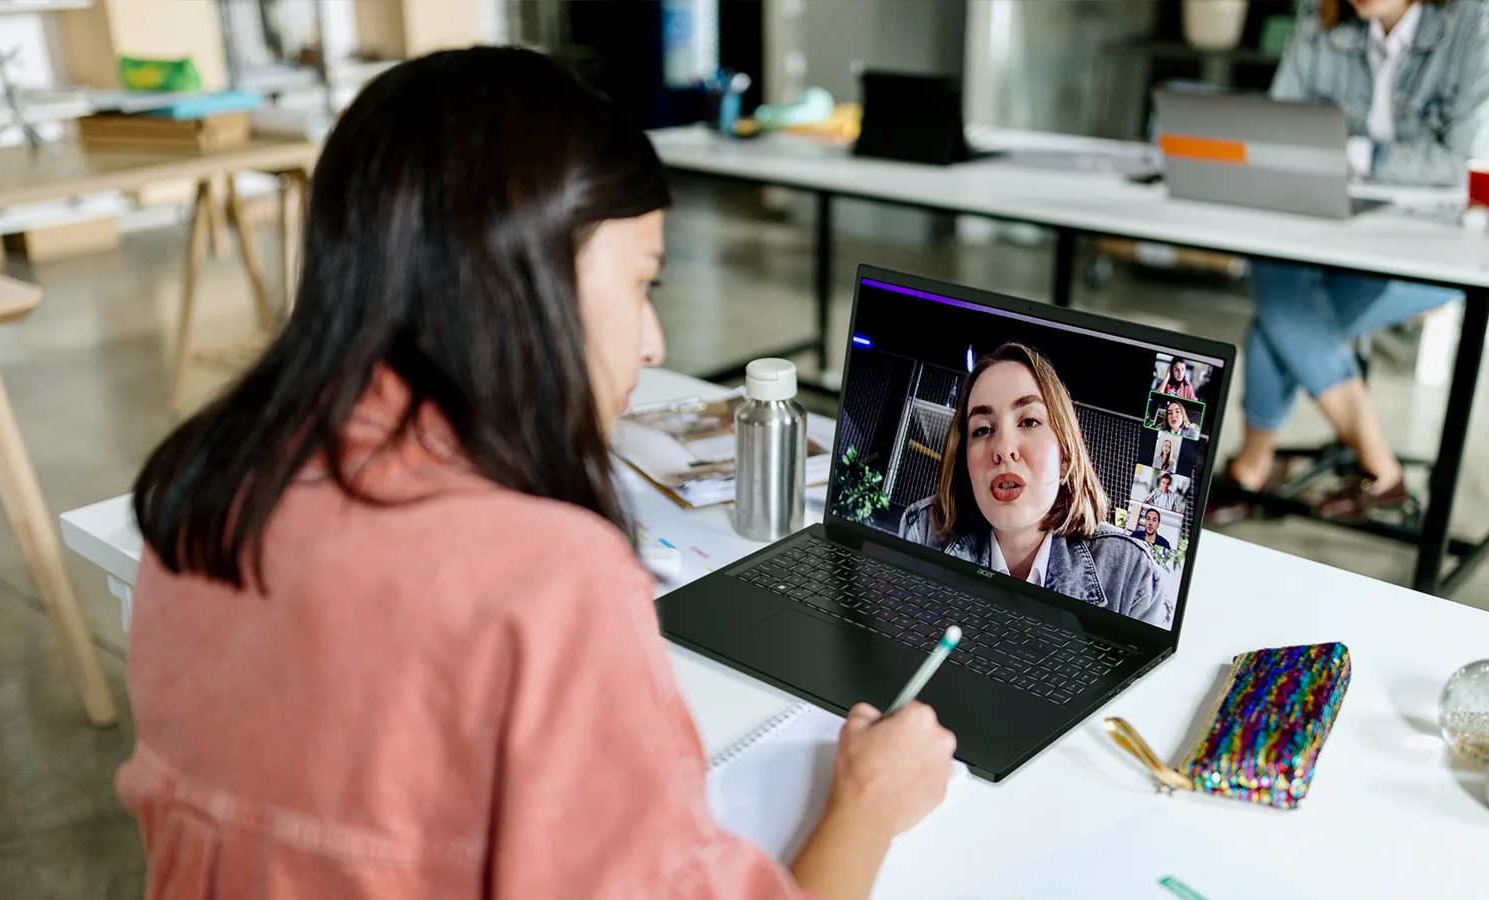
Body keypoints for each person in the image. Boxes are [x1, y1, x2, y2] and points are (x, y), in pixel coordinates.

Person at [117, 48, 956, 900]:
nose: (655, 342)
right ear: (529, 277)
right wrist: (868, 805)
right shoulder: (541, 580)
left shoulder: (203, 494)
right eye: (642, 281)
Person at [1223, 0, 1489, 522]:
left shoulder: (1488, 26)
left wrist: (1352, 154)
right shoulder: (1322, 15)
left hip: (1438, 246)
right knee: (1276, 269)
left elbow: (1462, 163)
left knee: (1282, 314)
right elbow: (1280, 127)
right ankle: (1377, 471)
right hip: (1329, 227)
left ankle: (1256, 467)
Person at [900, 343, 1173, 628]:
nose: (1004, 449)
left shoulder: (1128, 574)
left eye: (1029, 421)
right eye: (982, 430)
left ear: (1065, 457)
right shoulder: (924, 532)